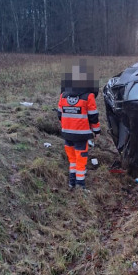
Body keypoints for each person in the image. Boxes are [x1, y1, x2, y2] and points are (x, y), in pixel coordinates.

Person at [57, 59, 100, 190]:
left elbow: (60, 114)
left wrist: (67, 126)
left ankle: (71, 183)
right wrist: (96, 131)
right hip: (81, 135)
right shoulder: (89, 97)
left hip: (67, 133)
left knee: (72, 160)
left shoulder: (63, 95)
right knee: (81, 160)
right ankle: (80, 186)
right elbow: (93, 117)